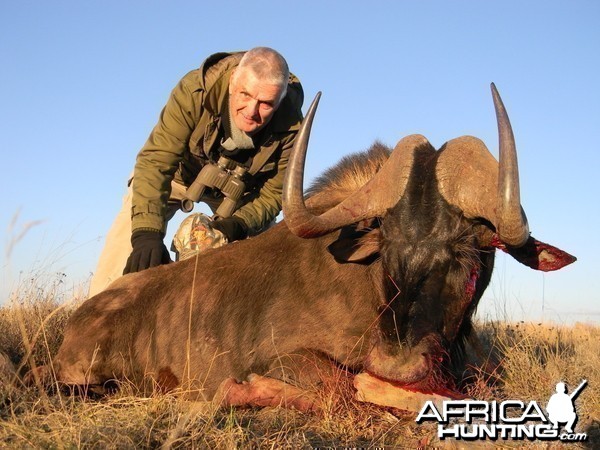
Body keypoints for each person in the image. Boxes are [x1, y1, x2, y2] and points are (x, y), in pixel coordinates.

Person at [89, 47, 303, 296]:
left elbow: (275, 193)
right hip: (178, 177)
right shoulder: (195, 90)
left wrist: (238, 225)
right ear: (233, 81)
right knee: (125, 244)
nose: (252, 110)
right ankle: (95, 322)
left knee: (265, 267)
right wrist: (147, 234)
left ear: (280, 100)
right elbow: (156, 161)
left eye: (266, 103)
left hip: (239, 195)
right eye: (245, 94)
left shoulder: (292, 124)